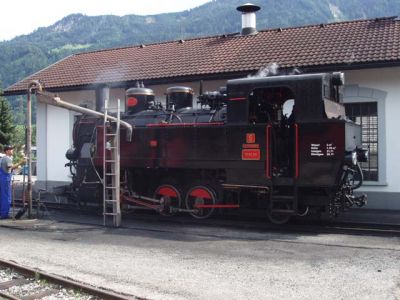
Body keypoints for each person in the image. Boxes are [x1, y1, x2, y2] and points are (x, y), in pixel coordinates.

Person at [0, 145, 24, 219]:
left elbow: (9, 169)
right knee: (6, 197)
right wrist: (21, 162)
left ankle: (2, 213)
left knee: (2, 196)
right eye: (11, 149)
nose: (12, 151)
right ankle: (4, 214)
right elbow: (11, 167)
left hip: (3, 178)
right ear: (7, 151)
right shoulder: (7, 159)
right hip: (5, 179)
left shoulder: (2, 158)